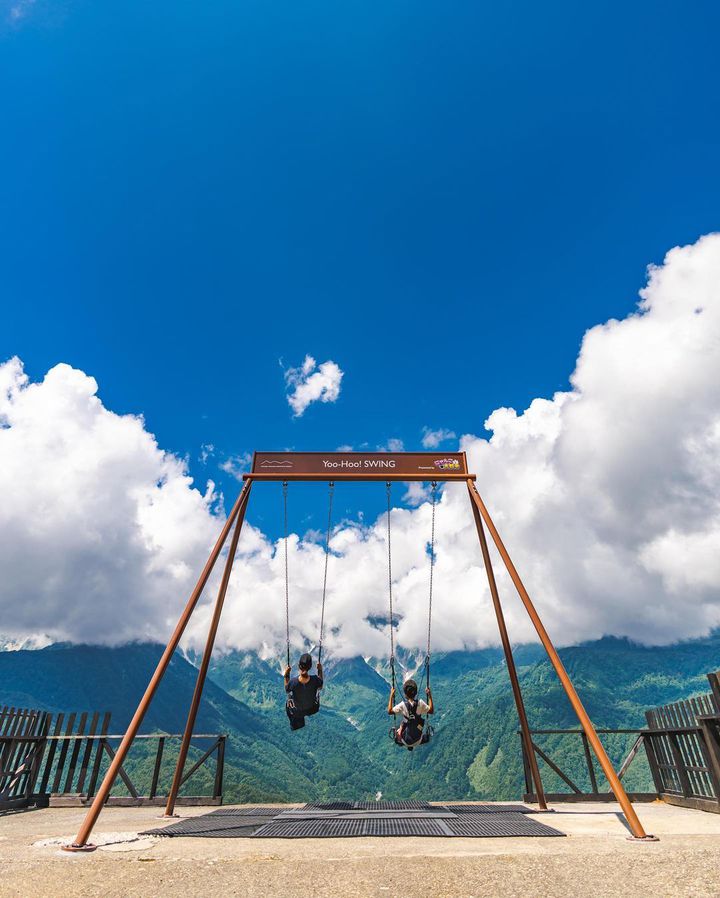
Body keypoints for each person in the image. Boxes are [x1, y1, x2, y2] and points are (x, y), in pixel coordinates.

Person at [388, 678, 434, 750]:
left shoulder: (403, 705)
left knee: (399, 727)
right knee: (424, 735)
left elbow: (390, 711)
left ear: (405, 694)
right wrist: (429, 695)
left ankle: (402, 738)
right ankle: (412, 741)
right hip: (418, 739)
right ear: (416, 693)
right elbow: (431, 711)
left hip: (405, 740)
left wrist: (391, 695)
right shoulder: (421, 703)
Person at [284, 652, 324, 731]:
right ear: (310, 667)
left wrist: (286, 674)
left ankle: (296, 724)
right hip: (312, 709)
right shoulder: (315, 680)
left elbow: (287, 690)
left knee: (288, 703)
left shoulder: (293, 682)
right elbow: (320, 686)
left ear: (299, 666)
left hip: (297, 710)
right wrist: (320, 670)